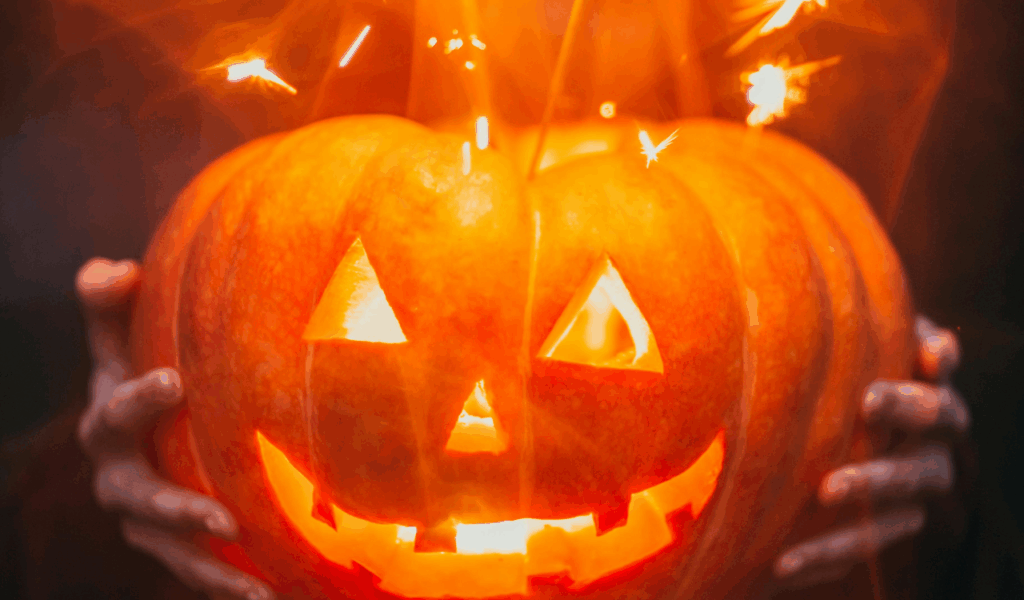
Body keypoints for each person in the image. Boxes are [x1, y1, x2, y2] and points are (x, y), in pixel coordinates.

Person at [75, 256, 971, 600]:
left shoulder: (786, 204)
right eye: (368, 324)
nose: (481, 434)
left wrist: (938, 501)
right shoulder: (258, 182)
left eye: (600, 339)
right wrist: (102, 488)